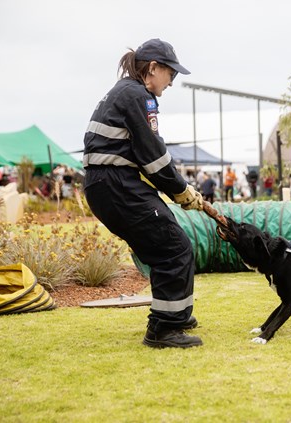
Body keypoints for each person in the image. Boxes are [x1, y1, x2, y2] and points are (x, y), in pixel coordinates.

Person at [82, 38, 204, 349]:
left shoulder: (124, 92)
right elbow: (153, 155)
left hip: (107, 184)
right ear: (153, 68)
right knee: (174, 247)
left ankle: (175, 313)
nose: (172, 82)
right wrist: (181, 190)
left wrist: (176, 189)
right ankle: (164, 329)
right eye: (171, 74)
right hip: (116, 184)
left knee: (165, 244)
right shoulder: (138, 95)